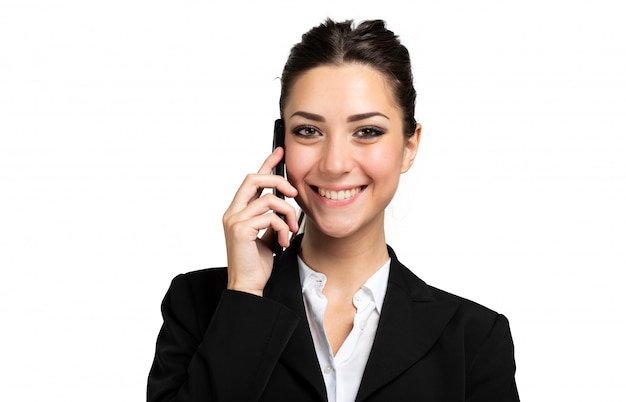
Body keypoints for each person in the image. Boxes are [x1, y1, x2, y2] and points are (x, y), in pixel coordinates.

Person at [147, 19, 520, 402]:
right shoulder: (199, 305)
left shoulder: (473, 338)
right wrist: (245, 297)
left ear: (409, 146)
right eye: (309, 131)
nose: (335, 163)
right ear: (281, 145)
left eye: (367, 131)